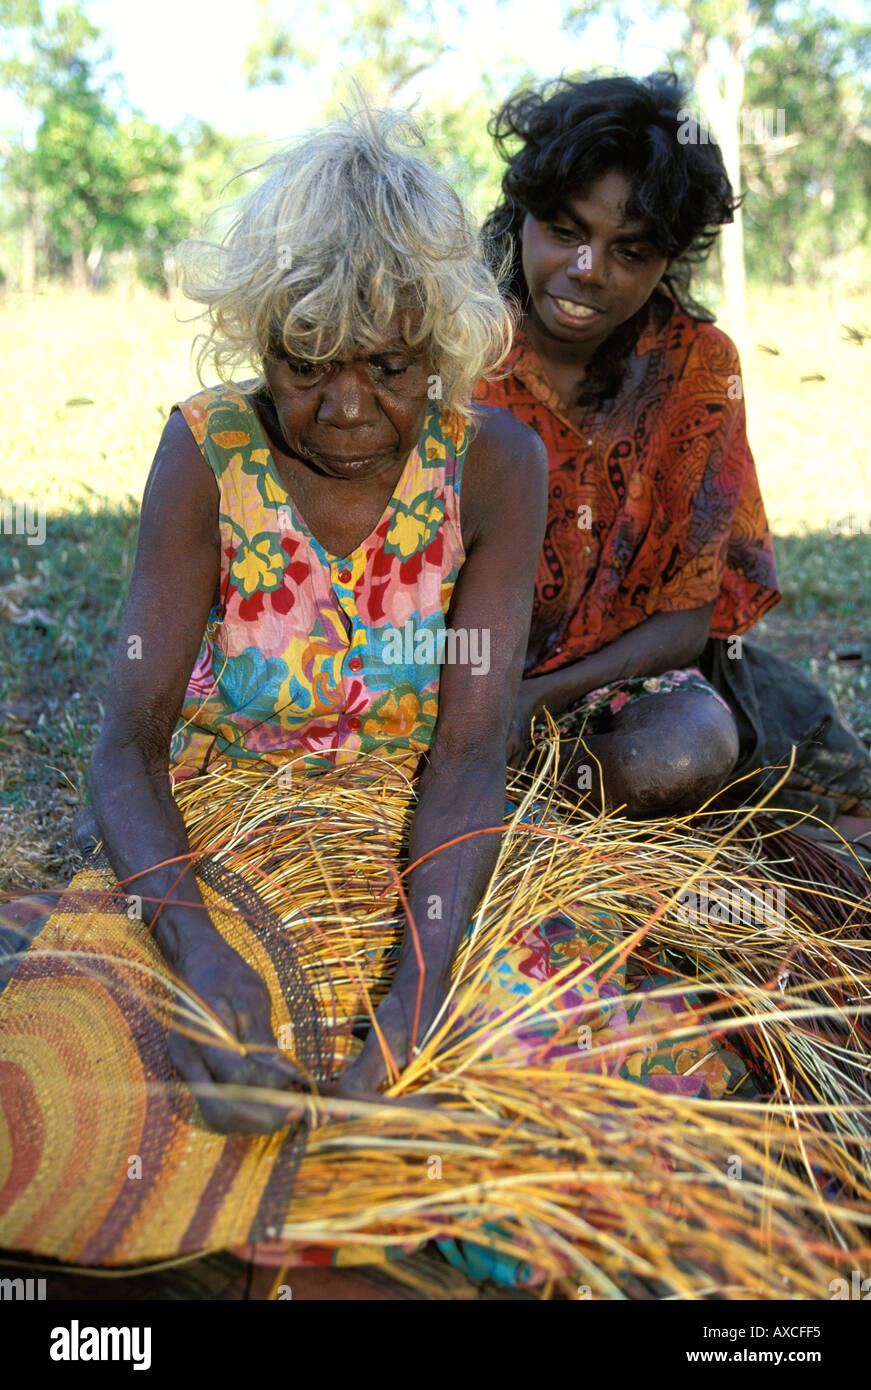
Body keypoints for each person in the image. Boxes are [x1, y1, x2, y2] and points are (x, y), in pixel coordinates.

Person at [478, 73, 871, 845]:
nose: (588, 269)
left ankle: (559, 808)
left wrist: (537, 703)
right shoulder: (451, 348)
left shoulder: (698, 370)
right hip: (450, 679)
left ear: (667, 259)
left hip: (610, 684)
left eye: (629, 250)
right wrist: (482, 702)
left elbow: (685, 620)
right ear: (519, 214)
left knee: (688, 749)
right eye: (563, 230)